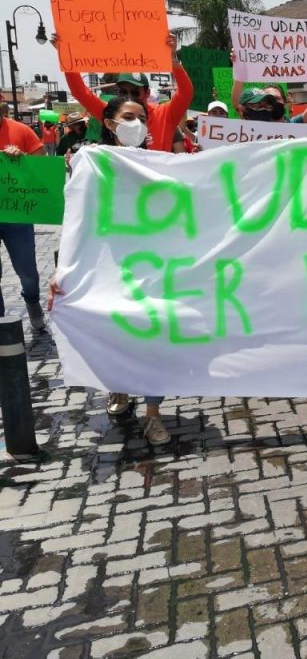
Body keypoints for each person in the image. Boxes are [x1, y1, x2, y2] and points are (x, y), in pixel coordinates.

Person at [50, 96, 173, 445]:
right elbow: (76, 216)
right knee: (114, 329)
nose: (137, 123)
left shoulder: (160, 162)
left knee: (154, 335)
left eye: (142, 117)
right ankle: (118, 386)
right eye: (128, 117)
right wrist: (64, 269)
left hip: (154, 263)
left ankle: (153, 413)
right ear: (109, 123)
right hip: (107, 263)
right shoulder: (90, 160)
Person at [53, 32, 193, 153]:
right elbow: (80, 92)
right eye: (123, 92)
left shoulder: (165, 114)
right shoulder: (112, 112)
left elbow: (186, 93)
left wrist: (173, 60)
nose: (129, 97)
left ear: (147, 92)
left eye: (135, 92)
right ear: (109, 123)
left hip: (155, 182)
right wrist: (66, 57)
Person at [0, 103, 46, 330]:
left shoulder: (21, 130)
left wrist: (22, 159)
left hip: (17, 211)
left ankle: (32, 301)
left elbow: (41, 165)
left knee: (26, 268)